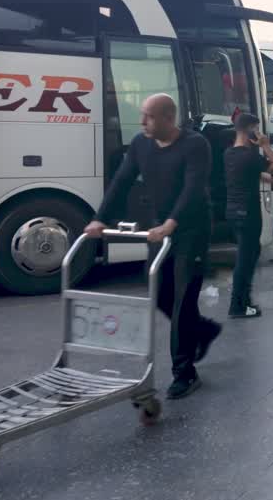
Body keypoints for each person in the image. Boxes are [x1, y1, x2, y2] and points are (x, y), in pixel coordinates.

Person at [87, 94, 220, 400]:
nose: (142, 122)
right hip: (160, 228)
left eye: (149, 116)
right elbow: (122, 181)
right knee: (160, 295)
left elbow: (193, 186)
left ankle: (184, 373)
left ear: (168, 118)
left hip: (191, 229)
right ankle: (203, 330)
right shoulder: (140, 144)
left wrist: (172, 222)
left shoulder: (195, 145)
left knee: (183, 300)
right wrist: (99, 219)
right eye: (143, 116)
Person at [222, 113, 273, 318]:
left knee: (249, 254)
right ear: (250, 131)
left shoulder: (229, 154)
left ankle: (244, 302)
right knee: (245, 260)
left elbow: (255, 174)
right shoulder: (250, 156)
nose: (259, 133)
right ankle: (237, 306)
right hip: (248, 213)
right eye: (257, 130)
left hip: (232, 212)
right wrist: (265, 144)